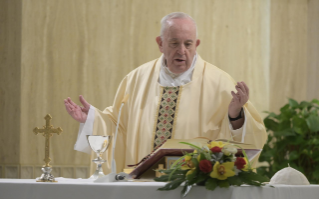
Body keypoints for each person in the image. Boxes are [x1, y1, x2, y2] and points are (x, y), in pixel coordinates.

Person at [64, 12, 267, 174]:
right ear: (160, 43)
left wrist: (236, 115)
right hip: (141, 185)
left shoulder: (221, 83)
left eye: (188, 44)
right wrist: (91, 118)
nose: (182, 51)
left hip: (195, 187)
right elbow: (118, 127)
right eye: (174, 43)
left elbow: (246, 141)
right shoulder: (136, 79)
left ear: (196, 45)